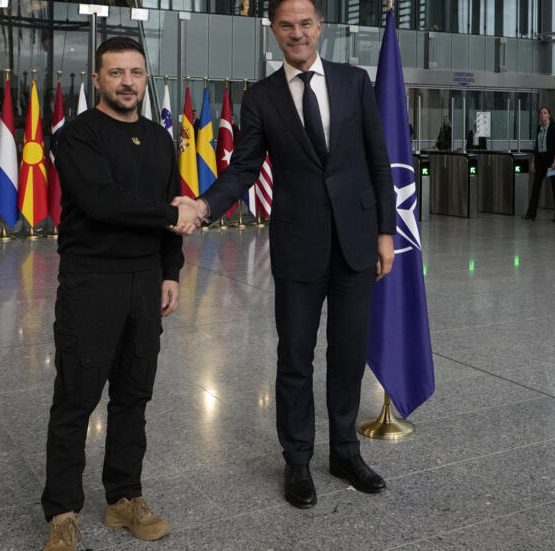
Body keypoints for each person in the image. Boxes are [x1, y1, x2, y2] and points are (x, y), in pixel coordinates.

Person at [174, 0, 396, 509]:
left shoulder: (354, 81)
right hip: (298, 245)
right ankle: (297, 460)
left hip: (357, 244)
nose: (296, 33)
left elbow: (378, 160)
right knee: (294, 357)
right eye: (286, 26)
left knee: (349, 355)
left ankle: (345, 452)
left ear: (320, 27)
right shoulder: (260, 97)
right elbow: (244, 167)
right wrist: (205, 204)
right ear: (273, 31)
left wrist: (386, 234)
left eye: (305, 24)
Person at [40, 36, 199, 551]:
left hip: (146, 281)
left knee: (134, 394)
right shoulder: (78, 136)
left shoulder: (159, 138)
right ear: (97, 79)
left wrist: (170, 271)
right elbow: (104, 203)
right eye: (115, 73)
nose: (127, 82)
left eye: (135, 72)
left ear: (145, 76)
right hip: (93, 281)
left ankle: (123, 498)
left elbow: (166, 208)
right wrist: (172, 214)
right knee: (77, 398)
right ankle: (62, 511)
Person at [523, 106, 555, 222]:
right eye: (541, 113)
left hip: (552, 162)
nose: (542, 115)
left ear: (549, 115)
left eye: (545, 113)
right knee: (536, 187)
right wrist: (533, 161)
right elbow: (537, 147)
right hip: (541, 160)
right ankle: (531, 214)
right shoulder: (539, 128)